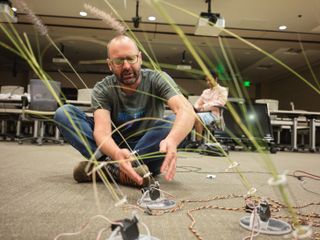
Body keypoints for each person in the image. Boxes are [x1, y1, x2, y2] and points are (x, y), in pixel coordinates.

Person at [54, 35, 195, 187]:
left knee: (174, 123)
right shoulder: (103, 88)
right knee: (64, 113)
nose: (126, 66)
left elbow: (186, 110)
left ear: (139, 58)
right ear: (110, 64)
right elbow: (102, 132)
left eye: (131, 59)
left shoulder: (157, 79)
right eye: (119, 61)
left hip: (148, 152)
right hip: (115, 149)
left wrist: (172, 140)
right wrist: (115, 154)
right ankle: (118, 168)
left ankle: (108, 169)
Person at [192, 70, 228, 145]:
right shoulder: (205, 92)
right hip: (202, 113)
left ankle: (198, 142)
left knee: (197, 117)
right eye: (207, 81)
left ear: (216, 79)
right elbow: (197, 103)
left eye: (210, 80)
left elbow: (221, 102)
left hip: (213, 114)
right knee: (190, 116)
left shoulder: (222, 90)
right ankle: (188, 141)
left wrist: (204, 106)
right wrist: (196, 108)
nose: (208, 82)